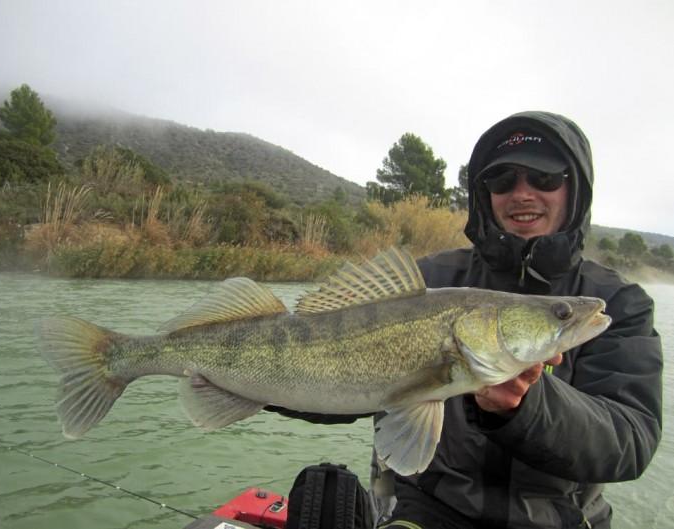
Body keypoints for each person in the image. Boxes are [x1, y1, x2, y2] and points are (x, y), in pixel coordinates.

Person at [271, 111, 662, 529]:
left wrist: (526, 406)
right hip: (427, 511)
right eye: (502, 181)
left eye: (545, 179)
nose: (522, 194)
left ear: (575, 189)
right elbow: (339, 378)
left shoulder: (618, 302)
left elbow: (629, 441)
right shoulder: (427, 281)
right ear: (484, 193)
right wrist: (250, 384)